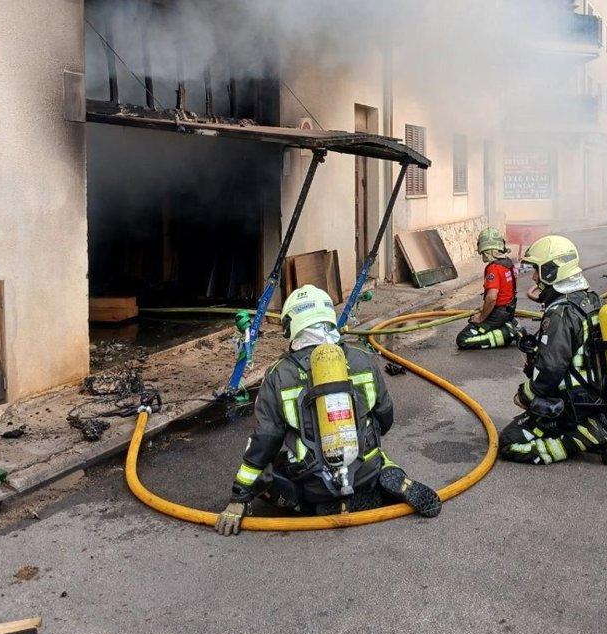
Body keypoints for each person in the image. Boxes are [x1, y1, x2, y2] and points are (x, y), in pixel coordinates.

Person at [215, 285, 441, 534]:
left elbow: (265, 440)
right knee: (371, 441)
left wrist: (239, 497)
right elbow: (386, 418)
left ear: (292, 325)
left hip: (314, 485)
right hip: (365, 470)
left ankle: (311, 508)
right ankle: (388, 474)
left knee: (268, 469)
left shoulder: (279, 374)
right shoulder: (361, 358)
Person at [498, 235, 607, 466]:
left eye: (538, 270)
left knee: (510, 442)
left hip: (571, 404)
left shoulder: (561, 313)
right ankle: (595, 426)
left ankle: (581, 437)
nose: (534, 277)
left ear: (552, 271)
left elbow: (551, 369)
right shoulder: (592, 300)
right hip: (596, 397)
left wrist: (526, 394)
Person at [456, 227, 518, 350]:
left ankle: (507, 333)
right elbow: (505, 292)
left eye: (483, 252)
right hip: (508, 310)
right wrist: (483, 309)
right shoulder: (507, 263)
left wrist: (481, 317)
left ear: (488, 250)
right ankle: (508, 325)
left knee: (463, 339)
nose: (482, 255)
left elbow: (492, 297)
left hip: (498, 313)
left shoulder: (494, 268)